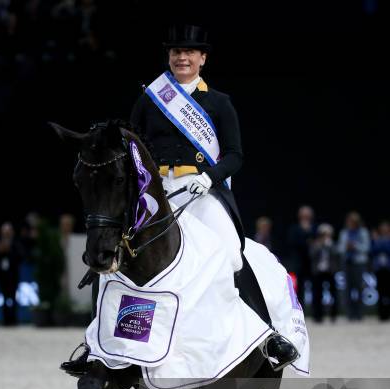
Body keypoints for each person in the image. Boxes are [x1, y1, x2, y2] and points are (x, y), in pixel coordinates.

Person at [129, 24, 298, 369]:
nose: (182, 58)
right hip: (158, 193)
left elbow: (236, 155)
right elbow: (134, 147)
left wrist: (209, 178)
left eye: (189, 52)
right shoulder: (150, 100)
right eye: (176, 52)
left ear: (202, 59)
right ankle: (103, 341)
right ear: (170, 57)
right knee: (120, 251)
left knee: (232, 254)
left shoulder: (220, 103)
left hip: (201, 192)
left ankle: (265, 337)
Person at [337, 211, 370, 321]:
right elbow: (339, 248)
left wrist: (355, 246)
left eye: (353, 221)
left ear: (357, 222)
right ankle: (350, 314)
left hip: (359, 264)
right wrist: (346, 247)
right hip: (347, 264)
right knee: (348, 290)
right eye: (349, 221)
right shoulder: (344, 233)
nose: (350, 223)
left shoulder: (363, 232)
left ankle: (359, 313)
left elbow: (366, 248)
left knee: (359, 289)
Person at [287, 205, 316, 307]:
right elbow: (292, 242)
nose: (305, 217)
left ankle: (317, 314)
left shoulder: (315, 228)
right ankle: (300, 309)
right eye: (303, 215)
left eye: (307, 215)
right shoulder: (294, 228)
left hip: (313, 263)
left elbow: (316, 242)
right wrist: (306, 240)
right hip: (299, 263)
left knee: (316, 288)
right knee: (299, 288)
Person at [310, 223, 339, 322]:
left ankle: (333, 316)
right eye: (323, 234)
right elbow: (311, 255)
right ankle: (318, 316)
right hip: (318, 271)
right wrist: (320, 245)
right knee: (317, 294)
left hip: (330, 271)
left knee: (333, 294)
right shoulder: (315, 244)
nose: (325, 236)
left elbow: (337, 254)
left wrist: (329, 245)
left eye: (327, 234)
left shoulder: (333, 244)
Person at [371, 220, 390, 321]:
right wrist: (378, 241)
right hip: (379, 269)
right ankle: (381, 315)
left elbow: (387, 249)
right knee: (380, 292)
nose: (384, 230)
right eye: (382, 228)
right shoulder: (376, 239)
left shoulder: (378, 239)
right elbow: (373, 250)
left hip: (388, 268)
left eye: (386, 228)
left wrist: (379, 241)